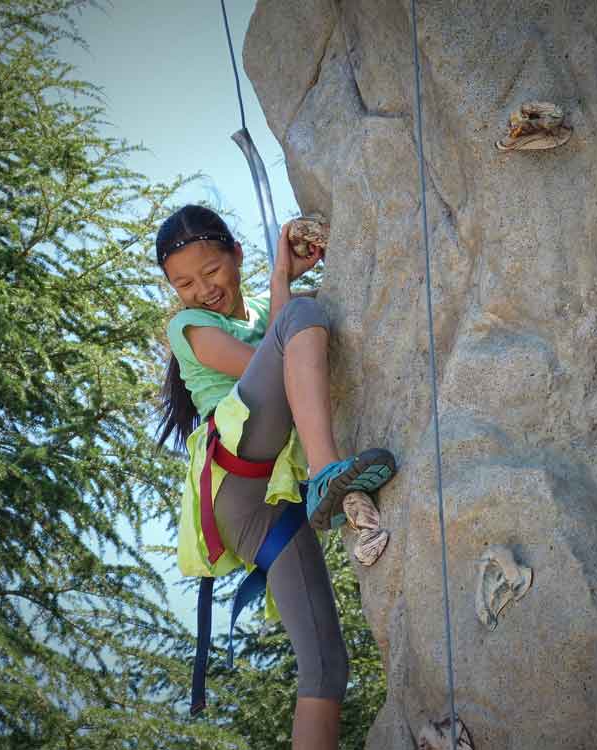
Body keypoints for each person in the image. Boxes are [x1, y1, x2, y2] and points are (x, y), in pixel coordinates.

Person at [155, 205, 396, 749]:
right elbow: (267, 356)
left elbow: (282, 335)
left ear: (236, 255)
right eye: (184, 283)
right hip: (237, 479)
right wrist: (284, 279)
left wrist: (290, 278)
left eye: (211, 271)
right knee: (301, 319)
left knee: (326, 668)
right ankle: (326, 472)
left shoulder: (266, 309)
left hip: (272, 504)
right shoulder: (188, 327)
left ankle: (323, 479)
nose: (202, 289)